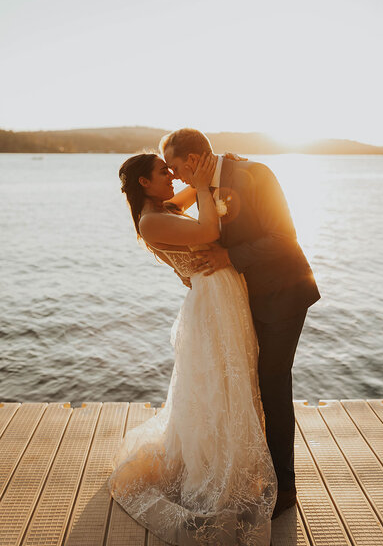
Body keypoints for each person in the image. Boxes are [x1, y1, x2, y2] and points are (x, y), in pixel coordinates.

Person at [108, 148, 278, 546]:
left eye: (172, 170)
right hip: (213, 298)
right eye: (163, 172)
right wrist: (202, 185)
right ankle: (216, 468)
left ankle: (235, 459)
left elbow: (192, 197)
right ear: (144, 183)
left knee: (231, 372)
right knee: (218, 379)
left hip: (222, 291)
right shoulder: (150, 222)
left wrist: (216, 170)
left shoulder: (162, 205)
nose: (173, 177)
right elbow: (208, 232)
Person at [161, 128, 321, 519]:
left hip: (284, 294)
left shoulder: (255, 175)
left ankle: (285, 487)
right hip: (246, 299)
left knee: (272, 383)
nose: (175, 175)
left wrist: (228, 257)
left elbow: (285, 236)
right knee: (248, 382)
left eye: (176, 166)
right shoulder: (204, 184)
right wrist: (182, 261)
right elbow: (169, 214)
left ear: (196, 157)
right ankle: (256, 470)